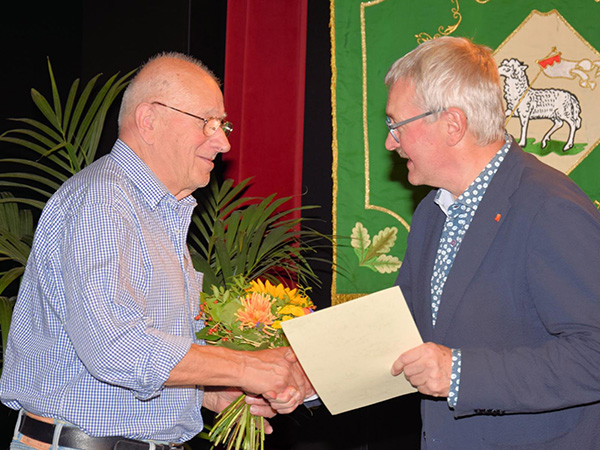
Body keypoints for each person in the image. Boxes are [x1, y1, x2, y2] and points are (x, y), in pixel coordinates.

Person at [0, 52, 313, 450]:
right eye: (209, 123)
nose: (223, 141)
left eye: (224, 124)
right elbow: (116, 348)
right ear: (149, 120)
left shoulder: (157, 211)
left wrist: (206, 394)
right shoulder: (104, 202)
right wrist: (248, 366)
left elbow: (125, 360)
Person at [384, 36, 600, 448]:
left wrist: (461, 374)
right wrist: (306, 379)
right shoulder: (434, 210)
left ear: (452, 124)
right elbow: (400, 328)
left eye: (397, 125)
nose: (391, 142)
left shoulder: (550, 208)